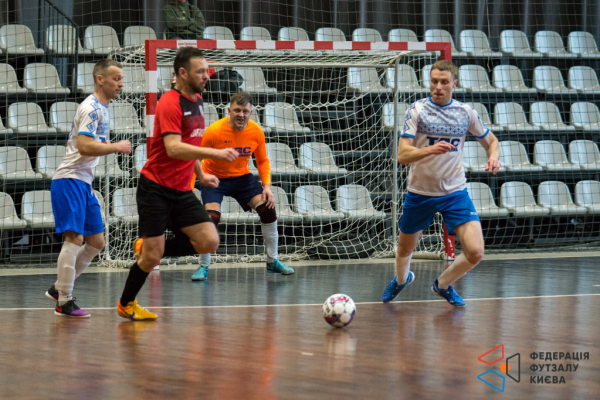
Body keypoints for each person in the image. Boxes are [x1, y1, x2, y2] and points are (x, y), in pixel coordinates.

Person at [117, 47, 238, 321]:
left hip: (182, 190)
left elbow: (190, 142)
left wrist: (200, 175)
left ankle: (148, 248)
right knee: (152, 258)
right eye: (200, 71)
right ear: (182, 73)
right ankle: (126, 303)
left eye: (207, 71)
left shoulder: (197, 100)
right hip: (155, 189)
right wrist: (215, 154)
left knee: (209, 241)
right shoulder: (169, 103)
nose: (206, 76)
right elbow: (173, 148)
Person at [381, 60, 501, 307]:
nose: (438, 86)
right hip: (420, 192)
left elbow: (492, 140)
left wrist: (493, 156)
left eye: (444, 82)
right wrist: (430, 149)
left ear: (454, 83)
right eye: (434, 81)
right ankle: (402, 279)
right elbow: (402, 156)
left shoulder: (465, 112)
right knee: (404, 250)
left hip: (454, 192)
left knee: (475, 251)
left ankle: (443, 285)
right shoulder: (417, 110)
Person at [45, 59, 132, 317]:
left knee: (97, 242)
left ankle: (59, 287)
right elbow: (84, 146)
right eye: (116, 78)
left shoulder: (103, 108)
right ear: (100, 79)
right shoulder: (91, 108)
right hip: (69, 179)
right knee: (74, 238)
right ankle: (64, 300)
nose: (121, 84)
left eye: (121, 79)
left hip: (83, 182)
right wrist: (116, 147)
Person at [190, 91, 295, 281]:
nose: (241, 115)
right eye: (237, 110)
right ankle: (203, 265)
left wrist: (267, 186)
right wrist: (189, 189)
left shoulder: (256, 131)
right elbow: (194, 159)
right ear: (229, 110)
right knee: (211, 217)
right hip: (214, 178)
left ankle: (272, 260)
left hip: (241, 177)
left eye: (245, 111)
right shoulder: (214, 131)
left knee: (268, 208)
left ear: (251, 112)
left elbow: (262, 161)